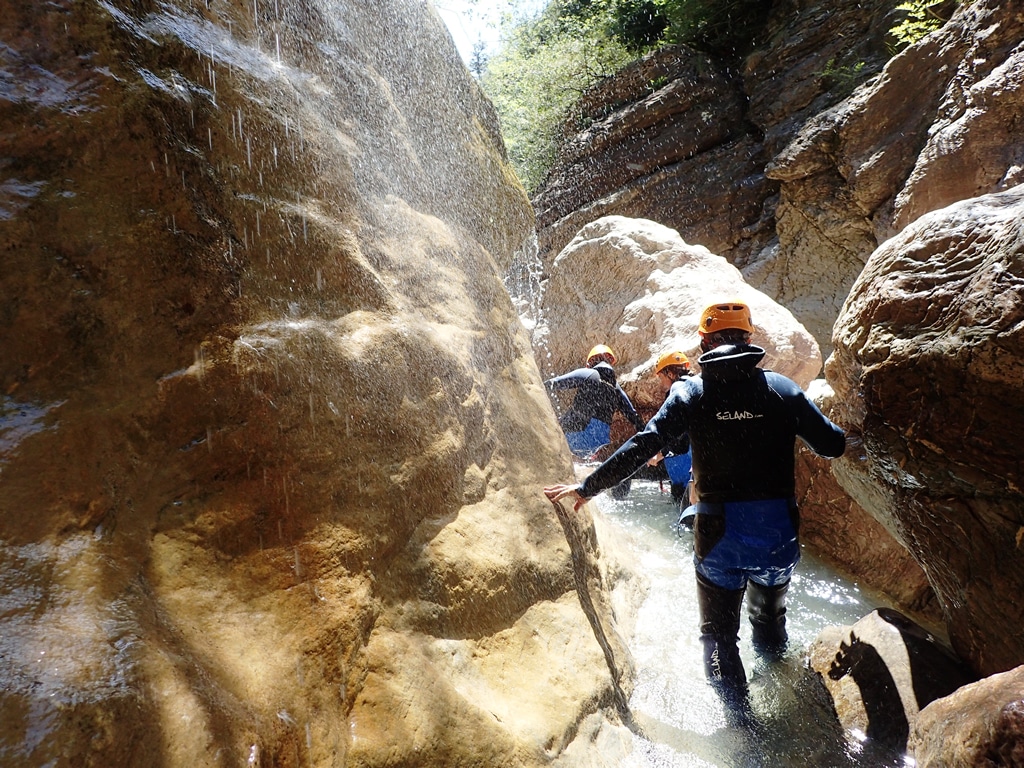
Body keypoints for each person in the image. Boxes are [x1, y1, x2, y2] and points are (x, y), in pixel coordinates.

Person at [544, 301, 846, 717]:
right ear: (749, 338)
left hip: (719, 537)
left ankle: (742, 732)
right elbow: (833, 444)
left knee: (719, 638)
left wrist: (589, 486)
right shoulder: (783, 389)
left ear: (704, 341)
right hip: (779, 535)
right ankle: (787, 692)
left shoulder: (691, 392)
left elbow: (644, 444)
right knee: (770, 622)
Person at [544, 344, 645, 458]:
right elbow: (633, 415)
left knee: (549, 429)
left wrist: (536, 387)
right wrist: (648, 439)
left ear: (590, 363)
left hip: (576, 435)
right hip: (598, 444)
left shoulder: (587, 374)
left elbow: (555, 383)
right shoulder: (616, 387)